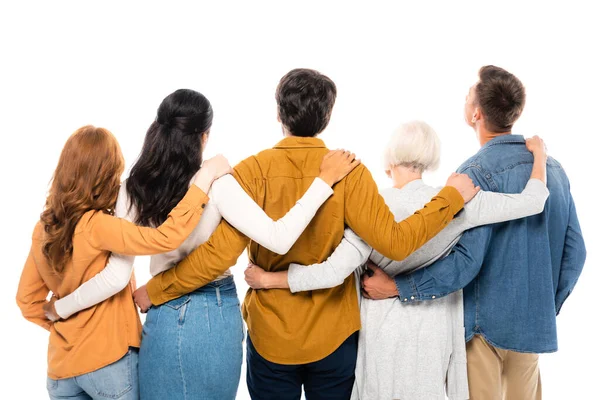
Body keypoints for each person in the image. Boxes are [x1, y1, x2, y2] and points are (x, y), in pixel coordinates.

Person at [133, 69, 480, 400]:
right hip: (334, 337)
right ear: (327, 117)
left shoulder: (253, 171)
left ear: (279, 114)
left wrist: (158, 289)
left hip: (272, 336)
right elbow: (396, 243)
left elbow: (217, 257)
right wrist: (450, 197)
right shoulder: (350, 172)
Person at [44, 89, 360, 400]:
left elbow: (115, 276)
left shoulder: (133, 188)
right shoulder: (219, 185)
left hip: (163, 313)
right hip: (213, 310)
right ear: (204, 136)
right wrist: (323, 182)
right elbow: (279, 238)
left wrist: (60, 309)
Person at [244, 121, 549, 400]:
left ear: (389, 162)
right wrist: (539, 157)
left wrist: (270, 279)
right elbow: (534, 202)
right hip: (434, 328)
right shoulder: (460, 200)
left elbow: (333, 272)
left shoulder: (372, 209)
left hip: (380, 330)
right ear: (431, 159)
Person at [358, 66, 587, 400]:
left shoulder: (472, 174)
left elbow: (465, 262)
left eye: (468, 94)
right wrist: (543, 307)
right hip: (530, 329)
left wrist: (398, 287)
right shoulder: (553, 169)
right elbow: (575, 252)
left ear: (475, 114)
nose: (465, 98)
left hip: (482, 331)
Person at [16, 125, 233, 399]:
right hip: (109, 363)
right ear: (107, 174)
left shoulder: (43, 228)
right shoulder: (100, 226)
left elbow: (26, 301)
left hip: (61, 372)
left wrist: (64, 324)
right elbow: (167, 237)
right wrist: (204, 180)